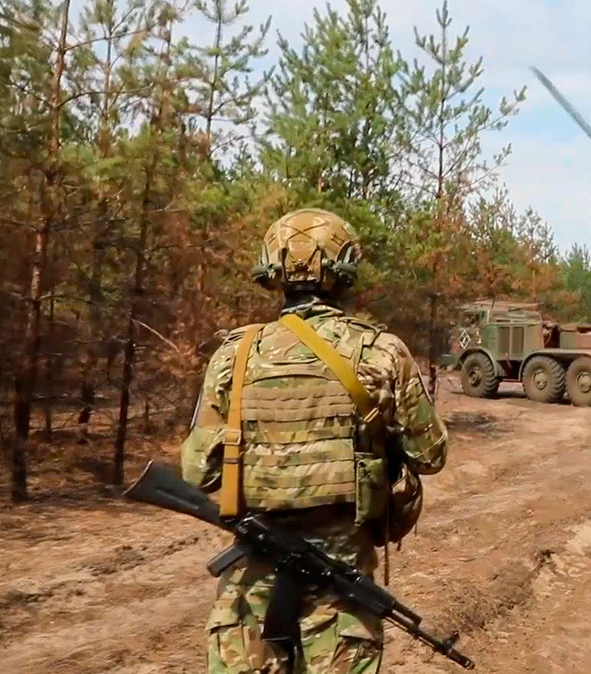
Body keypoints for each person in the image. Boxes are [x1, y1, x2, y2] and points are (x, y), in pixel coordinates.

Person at [180, 208, 448, 674]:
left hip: (251, 587)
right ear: (345, 269)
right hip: (339, 585)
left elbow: (197, 470)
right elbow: (431, 454)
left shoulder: (234, 355)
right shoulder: (381, 352)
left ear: (273, 269)